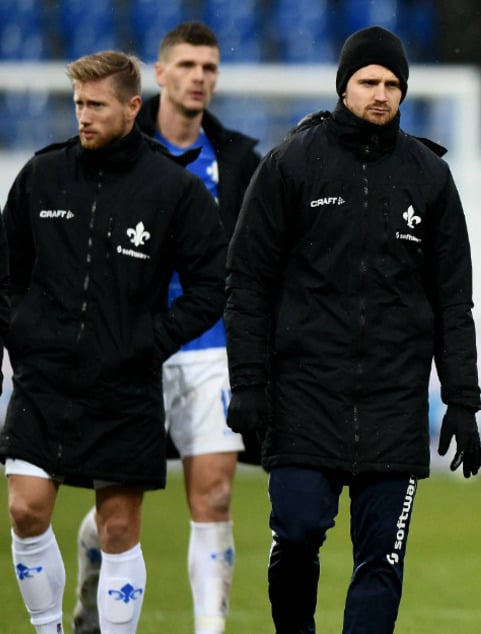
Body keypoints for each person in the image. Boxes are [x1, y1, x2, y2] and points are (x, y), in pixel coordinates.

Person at [223, 25, 481, 633]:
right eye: (369, 81)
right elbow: (248, 284)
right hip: (303, 394)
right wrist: (250, 386)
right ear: (344, 87)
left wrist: (463, 401)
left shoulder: (429, 176)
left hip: (394, 403)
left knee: (383, 561)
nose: (381, 93)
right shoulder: (292, 163)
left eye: (393, 84)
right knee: (298, 533)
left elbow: (453, 300)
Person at [0, 50, 227, 634]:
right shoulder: (41, 175)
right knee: (25, 509)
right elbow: (7, 274)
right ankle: (48, 627)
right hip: (44, 379)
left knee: (119, 528)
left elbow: (211, 286)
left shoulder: (172, 190)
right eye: (78, 104)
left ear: (132, 107)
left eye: (96, 105)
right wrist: (24, 335)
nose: (83, 116)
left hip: (125, 383)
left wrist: (150, 341)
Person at [69, 22, 261, 634]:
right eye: (186, 66)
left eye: (209, 67)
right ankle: (90, 572)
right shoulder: (114, 150)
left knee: (215, 497)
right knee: (119, 513)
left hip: (211, 347)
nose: (199, 77)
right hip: (134, 350)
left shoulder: (237, 162)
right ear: (158, 75)